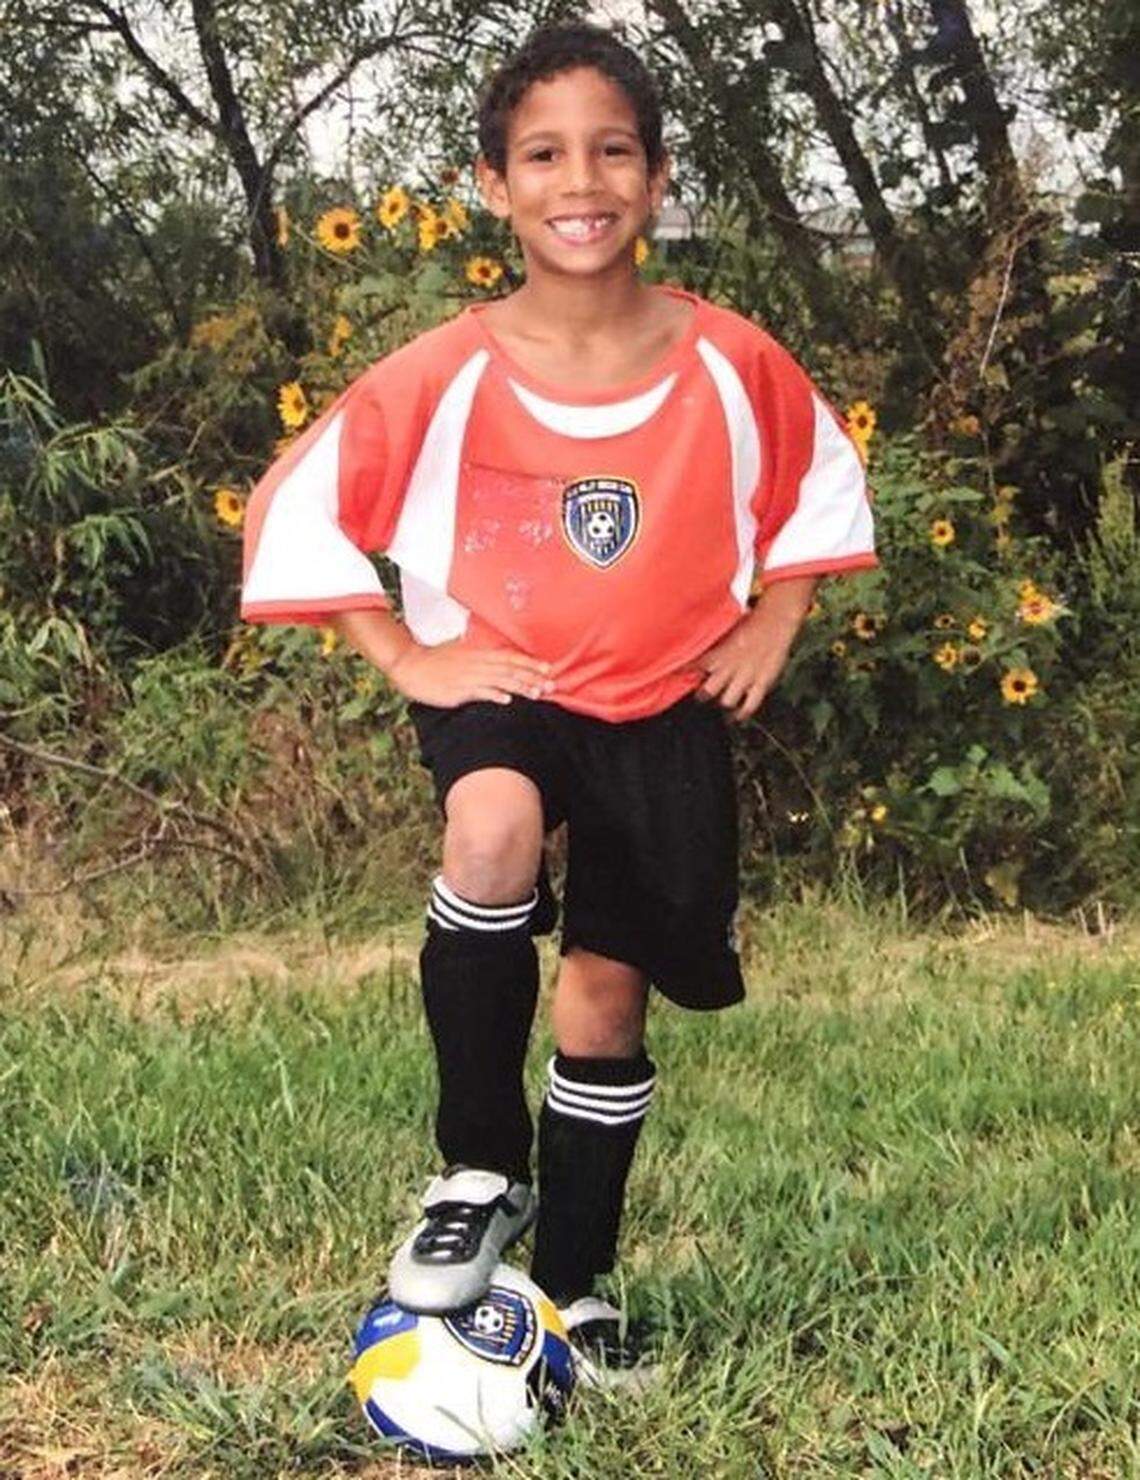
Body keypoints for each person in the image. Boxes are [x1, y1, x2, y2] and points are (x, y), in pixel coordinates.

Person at [241, 21, 876, 1382]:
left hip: (660, 700)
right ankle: (477, 1166)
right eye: (543, 154)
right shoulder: (445, 371)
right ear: (493, 183)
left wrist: (777, 612)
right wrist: (406, 658)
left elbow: (819, 477)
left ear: (653, 184)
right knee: (488, 831)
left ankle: (577, 1292)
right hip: (506, 677)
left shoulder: (728, 361)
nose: (578, 179)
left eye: (611, 151)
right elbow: (298, 502)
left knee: (605, 990)